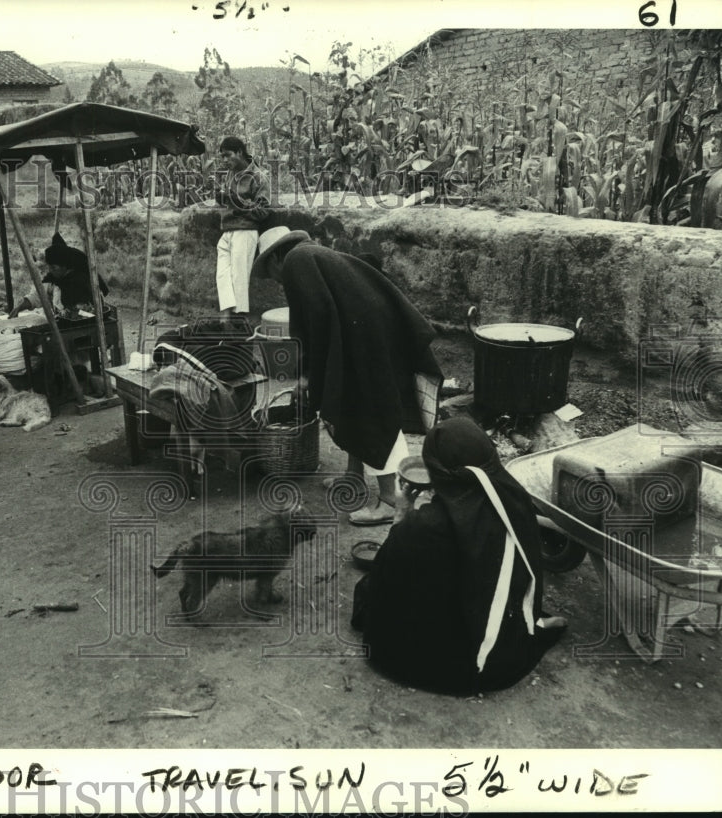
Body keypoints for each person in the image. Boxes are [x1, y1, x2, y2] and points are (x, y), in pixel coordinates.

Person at [351, 416, 567, 695]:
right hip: (480, 629)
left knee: (375, 587)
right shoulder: (512, 499)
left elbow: (384, 577)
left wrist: (402, 514)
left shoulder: (424, 527)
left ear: (435, 473)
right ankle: (526, 627)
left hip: (407, 658)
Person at [250, 226, 443, 525]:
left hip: (366, 337)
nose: (274, 279)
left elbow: (313, 320)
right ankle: (353, 477)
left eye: (269, 270)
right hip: (368, 330)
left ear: (276, 257)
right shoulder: (315, 255)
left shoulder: (296, 262)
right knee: (349, 404)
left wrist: (307, 374)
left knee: (372, 413)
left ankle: (390, 500)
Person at [214, 136, 270, 317]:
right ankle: (226, 320)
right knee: (222, 277)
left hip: (245, 231)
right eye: (222, 157)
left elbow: (263, 212)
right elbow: (230, 201)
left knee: (239, 279)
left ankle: (237, 322)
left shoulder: (258, 176)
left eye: (227, 155)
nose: (224, 160)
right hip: (227, 229)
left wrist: (240, 203)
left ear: (239, 152)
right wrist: (222, 198)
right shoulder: (231, 174)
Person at [8, 232, 108, 319]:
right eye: (49, 267)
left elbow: (88, 312)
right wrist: (19, 307)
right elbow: (39, 295)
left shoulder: (82, 281)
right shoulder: (55, 279)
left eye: (54, 268)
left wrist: (76, 313)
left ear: (65, 266)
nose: (50, 271)